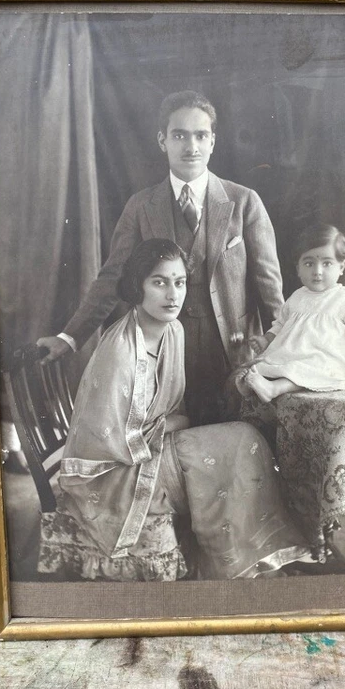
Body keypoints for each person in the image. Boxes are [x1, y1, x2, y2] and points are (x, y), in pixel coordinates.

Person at [38, 239, 310, 582]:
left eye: (179, 282)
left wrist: (173, 422)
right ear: (138, 286)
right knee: (239, 443)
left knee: (245, 437)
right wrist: (173, 423)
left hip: (157, 444)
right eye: (159, 282)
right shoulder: (120, 350)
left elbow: (171, 411)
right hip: (116, 470)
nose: (172, 294)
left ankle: (249, 559)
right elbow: (110, 440)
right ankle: (234, 567)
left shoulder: (173, 330)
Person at [37, 91, 284, 426]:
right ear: (162, 141)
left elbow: (269, 288)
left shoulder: (244, 202)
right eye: (179, 135)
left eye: (200, 136)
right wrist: (70, 337)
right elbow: (111, 279)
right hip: (163, 359)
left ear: (213, 142)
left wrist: (283, 349)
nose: (191, 146)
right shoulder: (141, 207)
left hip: (233, 357)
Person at [238, 224, 345, 404]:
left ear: (342, 266)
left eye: (327, 263)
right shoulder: (297, 297)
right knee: (268, 365)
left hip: (326, 357)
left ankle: (274, 389)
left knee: (306, 369)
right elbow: (281, 324)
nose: (317, 271)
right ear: (298, 268)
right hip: (294, 352)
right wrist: (266, 339)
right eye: (309, 263)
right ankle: (253, 384)